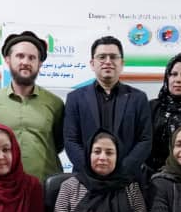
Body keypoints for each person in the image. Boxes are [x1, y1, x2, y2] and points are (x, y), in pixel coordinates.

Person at [64, 36, 152, 183]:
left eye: (113, 57)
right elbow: (71, 140)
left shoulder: (138, 98)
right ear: (92, 64)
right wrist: (91, 169)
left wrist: (121, 169)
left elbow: (145, 140)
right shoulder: (75, 98)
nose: (108, 61)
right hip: (86, 181)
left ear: (121, 63)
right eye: (102, 57)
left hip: (127, 180)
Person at [0, 30, 65, 181]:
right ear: (8, 60)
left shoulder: (55, 103)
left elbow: (58, 144)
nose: (26, 62)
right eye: (20, 56)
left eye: (32, 58)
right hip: (4, 187)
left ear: (39, 63)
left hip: (45, 186)